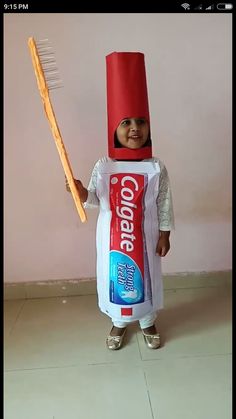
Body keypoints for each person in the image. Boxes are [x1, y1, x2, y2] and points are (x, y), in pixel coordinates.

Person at [66, 52, 174, 350]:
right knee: (115, 278)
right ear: (114, 128)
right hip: (112, 239)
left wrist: (164, 233)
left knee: (148, 278)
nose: (135, 128)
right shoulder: (105, 165)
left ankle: (148, 320)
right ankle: (119, 321)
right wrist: (78, 190)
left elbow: (164, 201)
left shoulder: (155, 166)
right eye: (126, 122)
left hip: (146, 237)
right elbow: (93, 199)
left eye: (141, 121)